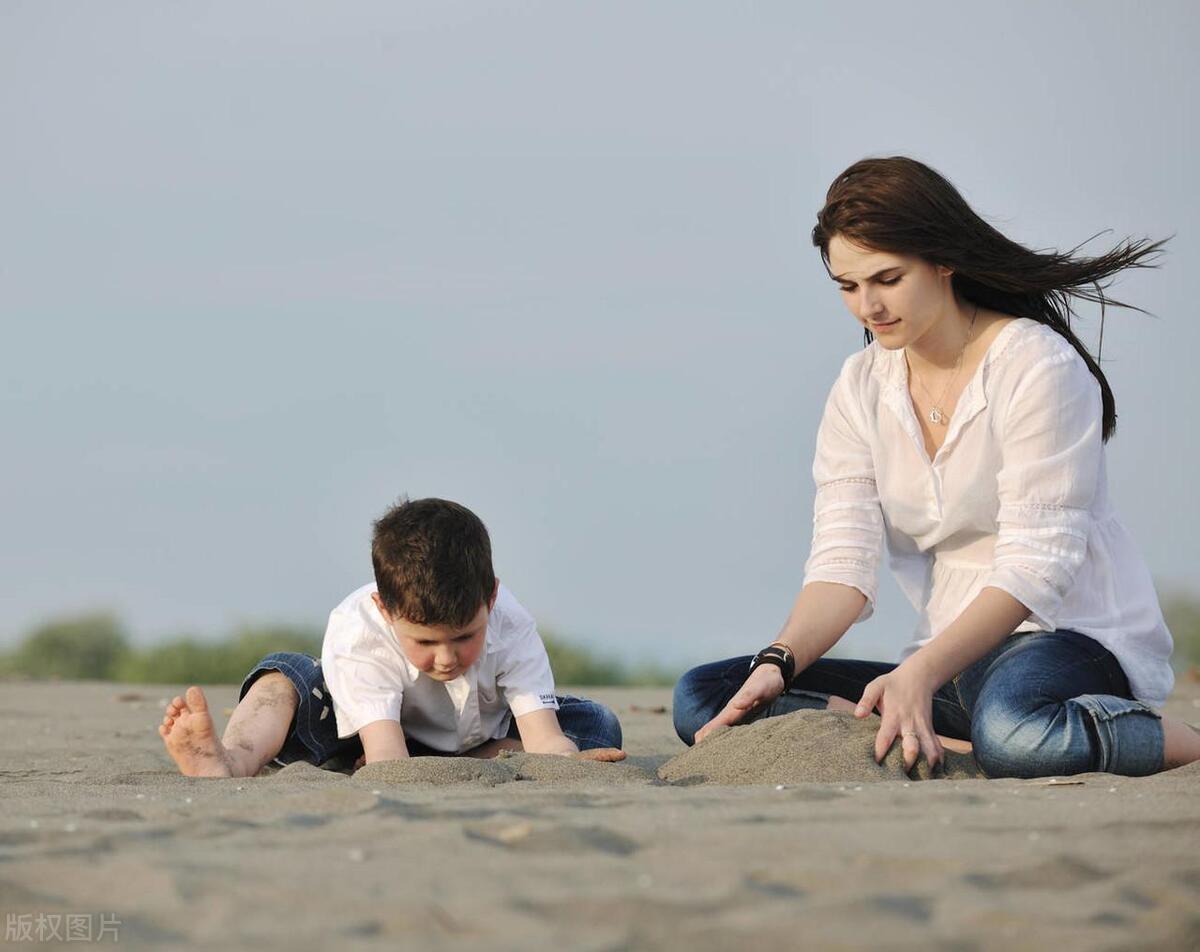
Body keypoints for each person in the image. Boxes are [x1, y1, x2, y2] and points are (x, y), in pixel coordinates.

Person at [673, 156, 1200, 779]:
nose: (867, 306)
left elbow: (1037, 569)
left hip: (1066, 638)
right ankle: (946, 737)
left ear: (943, 260)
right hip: (948, 661)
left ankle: (1182, 743)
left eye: (887, 279)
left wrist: (919, 673)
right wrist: (779, 663)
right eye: (847, 286)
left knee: (1016, 734)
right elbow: (843, 564)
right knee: (707, 697)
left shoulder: (1038, 366)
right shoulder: (859, 387)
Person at [160, 497, 625, 777]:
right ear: (387, 611)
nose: (446, 658)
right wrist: (392, 765)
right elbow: (387, 759)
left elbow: (544, 738)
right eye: (424, 642)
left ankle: (481, 757)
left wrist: (564, 759)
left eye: (465, 636)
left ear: (491, 598)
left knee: (596, 725)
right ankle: (231, 760)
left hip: (484, 731)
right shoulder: (359, 631)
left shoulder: (511, 622)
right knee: (288, 675)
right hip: (369, 736)